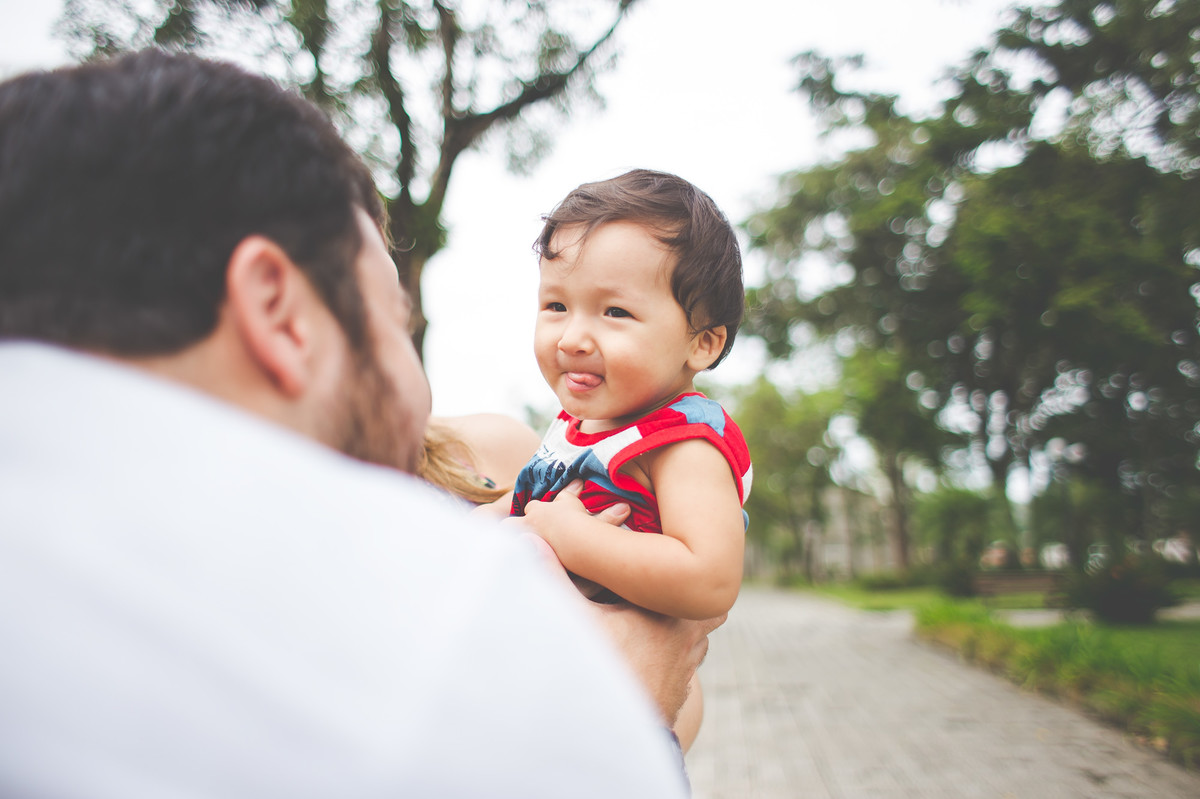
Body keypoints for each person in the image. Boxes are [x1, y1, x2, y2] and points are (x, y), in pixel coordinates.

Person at [0, 50, 718, 798]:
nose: (415, 381)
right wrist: (627, 720)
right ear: (277, 310)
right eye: (393, 319)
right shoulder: (448, 622)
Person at [500, 170, 752, 622]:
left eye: (615, 311)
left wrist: (570, 535)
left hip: (630, 678)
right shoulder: (573, 428)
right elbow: (530, 505)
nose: (572, 338)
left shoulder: (683, 443)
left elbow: (709, 580)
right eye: (556, 306)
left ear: (702, 343)